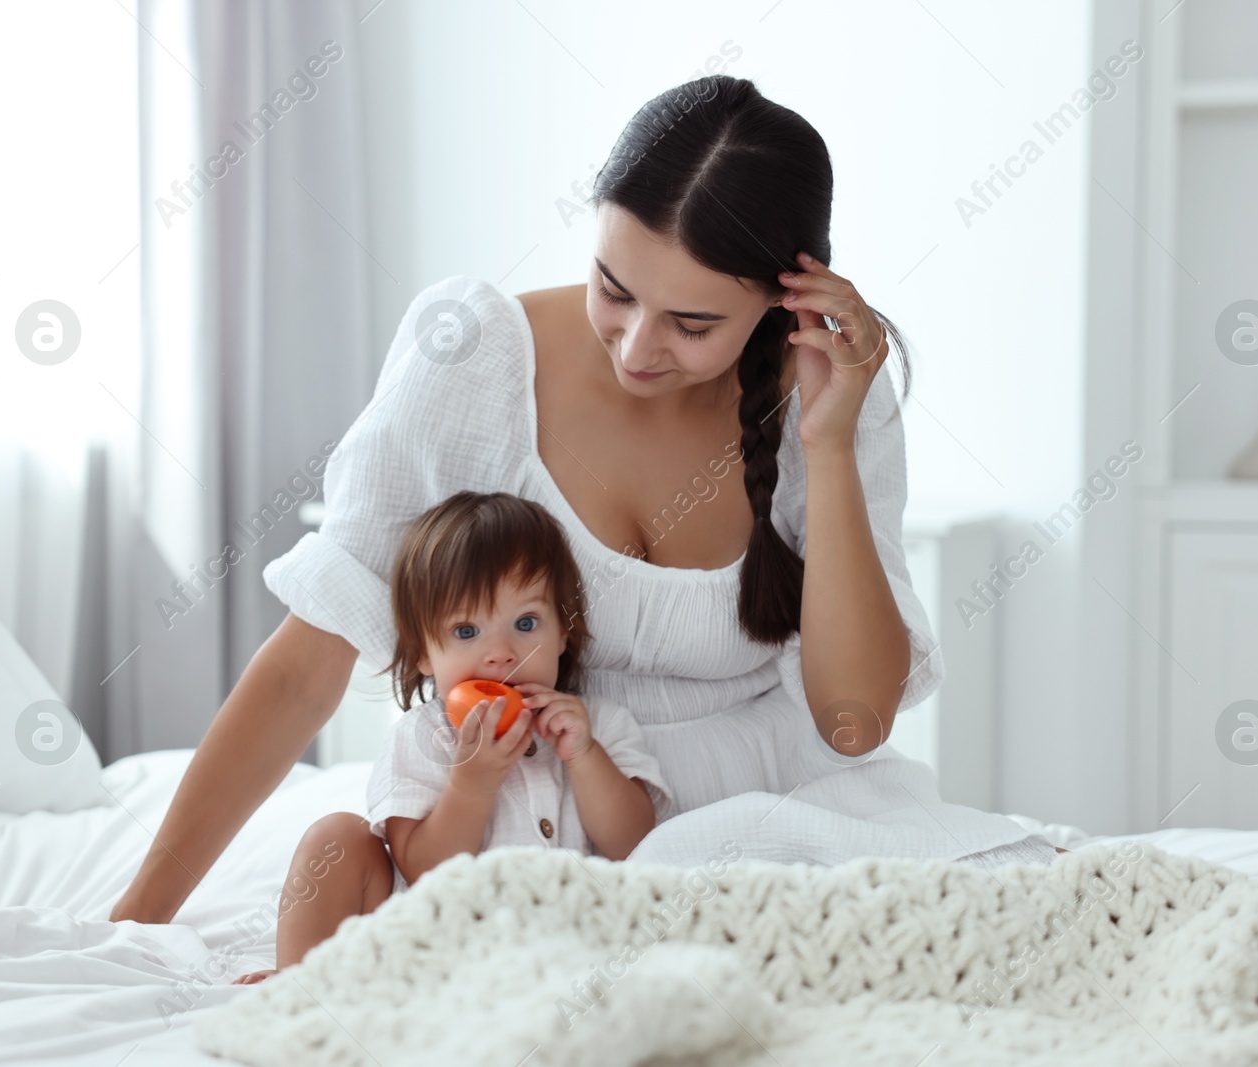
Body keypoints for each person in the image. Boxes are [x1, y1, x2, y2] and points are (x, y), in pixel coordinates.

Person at [110, 73, 1056, 927]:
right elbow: (306, 664)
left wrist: (832, 441)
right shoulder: (473, 355)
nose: (638, 349)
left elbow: (856, 721)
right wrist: (138, 916)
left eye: (692, 323)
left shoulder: (832, 390)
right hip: (534, 823)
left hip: (776, 818)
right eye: (614, 288)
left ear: (783, 299)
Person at [232, 491, 672, 984]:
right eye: (466, 632)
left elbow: (636, 846)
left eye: (526, 624)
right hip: (430, 953)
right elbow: (424, 870)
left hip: (560, 949)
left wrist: (585, 757)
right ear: (423, 654)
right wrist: (470, 786)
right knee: (335, 836)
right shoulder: (426, 738)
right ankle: (300, 983)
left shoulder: (597, 726)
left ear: (564, 634)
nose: (501, 653)